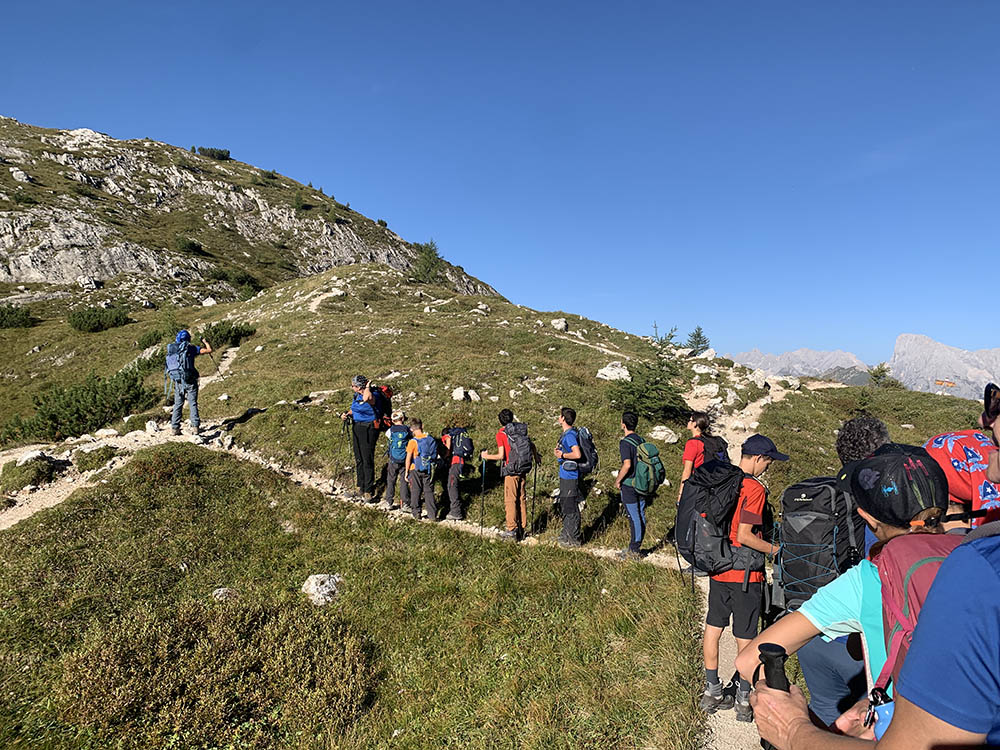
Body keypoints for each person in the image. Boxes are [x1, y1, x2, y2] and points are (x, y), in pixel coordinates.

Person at [737, 444, 954, 743]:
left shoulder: (869, 578)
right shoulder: (974, 554)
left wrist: (804, 729)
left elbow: (749, 660)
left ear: (866, 517)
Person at [750, 523, 1000, 749]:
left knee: (829, 708)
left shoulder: (870, 573)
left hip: (824, 654)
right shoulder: (968, 552)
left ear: (866, 517)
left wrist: (795, 730)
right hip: (913, 703)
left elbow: (748, 660)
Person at [786, 415, 889, 728]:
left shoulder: (829, 498)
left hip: (812, 625)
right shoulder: (883, 512)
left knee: (829, 714)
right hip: (857, 640)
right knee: (869, 722)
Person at [701, 434, 787, 722]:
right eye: (769, 462)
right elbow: (745, 536)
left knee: (713, 628)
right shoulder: (754, 489)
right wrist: (776, 550)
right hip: (745, 574)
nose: (768, 468)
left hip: (718, 567)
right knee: (745, 636)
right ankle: (743, 698)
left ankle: (711, 690)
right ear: (759, 458)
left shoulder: (722, 481)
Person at [481, 409, 530, 540]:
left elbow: (501, 455)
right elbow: (530, 445)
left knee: (510, 499)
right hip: (523, 468)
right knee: (521, 498)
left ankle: (511, 529)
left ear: (500, 420)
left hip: (511, 470)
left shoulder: (501, 434)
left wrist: (486, 456)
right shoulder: (520, 430)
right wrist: (536, 456)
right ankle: (522, 527)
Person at [340, 375, 384, 502]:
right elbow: (355, 408)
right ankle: (361, 487)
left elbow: (367, 399)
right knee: (359, 458)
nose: (352, 387)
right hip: (357, 427)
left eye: (353, 385)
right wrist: (347, 414)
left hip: (369, 428)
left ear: (359, 386)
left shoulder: (373, 395)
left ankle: (368, 490)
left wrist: (368, 387)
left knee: (367, 458)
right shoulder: (357, 395)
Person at [615, 411, 648, 560]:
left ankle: (633, 550)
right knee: (640, 514)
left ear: (623, 424)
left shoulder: (625, 442)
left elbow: (627, 465)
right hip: (642, 484)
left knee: (633, 516)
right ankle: (637, 545)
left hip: (630, 484)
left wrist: (618, 480)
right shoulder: (641, 440)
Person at [168, 329, 212, 436]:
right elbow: (209, 350)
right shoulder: (191, 348)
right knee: (192, 403)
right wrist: (205, 342)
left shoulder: (173, 349)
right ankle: (195, 427)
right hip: (190, 380)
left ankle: (175, 428)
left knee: (178, 404)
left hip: (178, 381)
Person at [553, 407, 583, 548]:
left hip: (570, 476)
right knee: (565, 504)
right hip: (566, 474)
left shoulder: (570, 435)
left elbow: (577, 454)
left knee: (570, 505)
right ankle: (566, 534)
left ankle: (573, 539)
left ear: (563, 418)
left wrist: (562, 455)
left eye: (560, 415)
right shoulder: (568, 434)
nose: (558, 417)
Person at [405, 417, 438, 522]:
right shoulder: (430, 439)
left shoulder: (413, 442)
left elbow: (408, 458)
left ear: (411, 429)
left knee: (416, 491)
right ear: (422, 426)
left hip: (415, 469)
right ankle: (432, 515)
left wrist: (406, 472)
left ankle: (417, 513)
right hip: (429, 468)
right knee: (429, 491)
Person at [677, 411, 713, 504]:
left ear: (695, 424)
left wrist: (681, 495)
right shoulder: (708, 441)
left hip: (695, 484)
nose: (688, 422)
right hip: (707, 483)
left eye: (690, 420)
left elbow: (687, 471)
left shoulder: (692, 443)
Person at [382, 410, 411, 511]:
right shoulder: (408, 430)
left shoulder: (390, 430)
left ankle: (389, 502)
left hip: (393, 459)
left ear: (393, 420)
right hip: (405, 459)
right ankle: (405, 504)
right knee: (404, 481)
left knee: (391, 480)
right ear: (402, 419)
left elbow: (388, 437)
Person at [441, 421, 469, 521]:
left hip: (456, 463)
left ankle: (456, 512)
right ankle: (456, 509)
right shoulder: (457, 436)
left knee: (452, 486)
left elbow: (448, 446)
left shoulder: (447, 436)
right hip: (460, 462)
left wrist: (445, 456)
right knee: (453, 485)